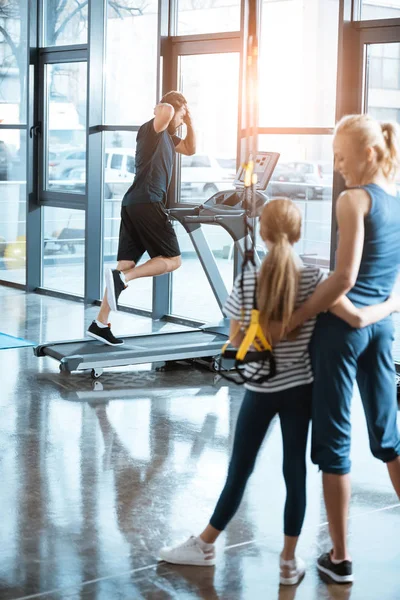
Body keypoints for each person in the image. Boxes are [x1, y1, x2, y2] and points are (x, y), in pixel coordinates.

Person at [157, 197, 399, 585]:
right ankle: (288, 563)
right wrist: (391, 305)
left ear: (263, 234)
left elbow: (236, 341)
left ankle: (205, 545)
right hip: (301, 390)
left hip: (261, 390)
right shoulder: (316, 280)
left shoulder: (248, 278)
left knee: (239, 472)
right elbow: (355, 318)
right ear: (299, 233)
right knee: (294, 474)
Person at [283, 114, 400, 584]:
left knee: (333, 444)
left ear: (368, 154)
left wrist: (297, 316)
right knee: (388, 436)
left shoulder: (353, 200)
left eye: (341, 156)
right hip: (381, 328)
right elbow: (380, 277)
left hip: (343, 332)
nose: (337, 166)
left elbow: (344, 277)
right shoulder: (394, 199)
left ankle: (340, 558)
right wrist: (379, 310)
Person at [87, 91, 196, 345]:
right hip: (148, 202)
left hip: (133, 203)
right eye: (183, 113)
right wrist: (169, 106)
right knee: (173, 260)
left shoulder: (168, 137)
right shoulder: (153, 129)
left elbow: (191, 148)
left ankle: (100, 323)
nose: (181, 118)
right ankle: (124, 279)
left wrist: (189, 121)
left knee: (125, 264)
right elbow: (167, 110)